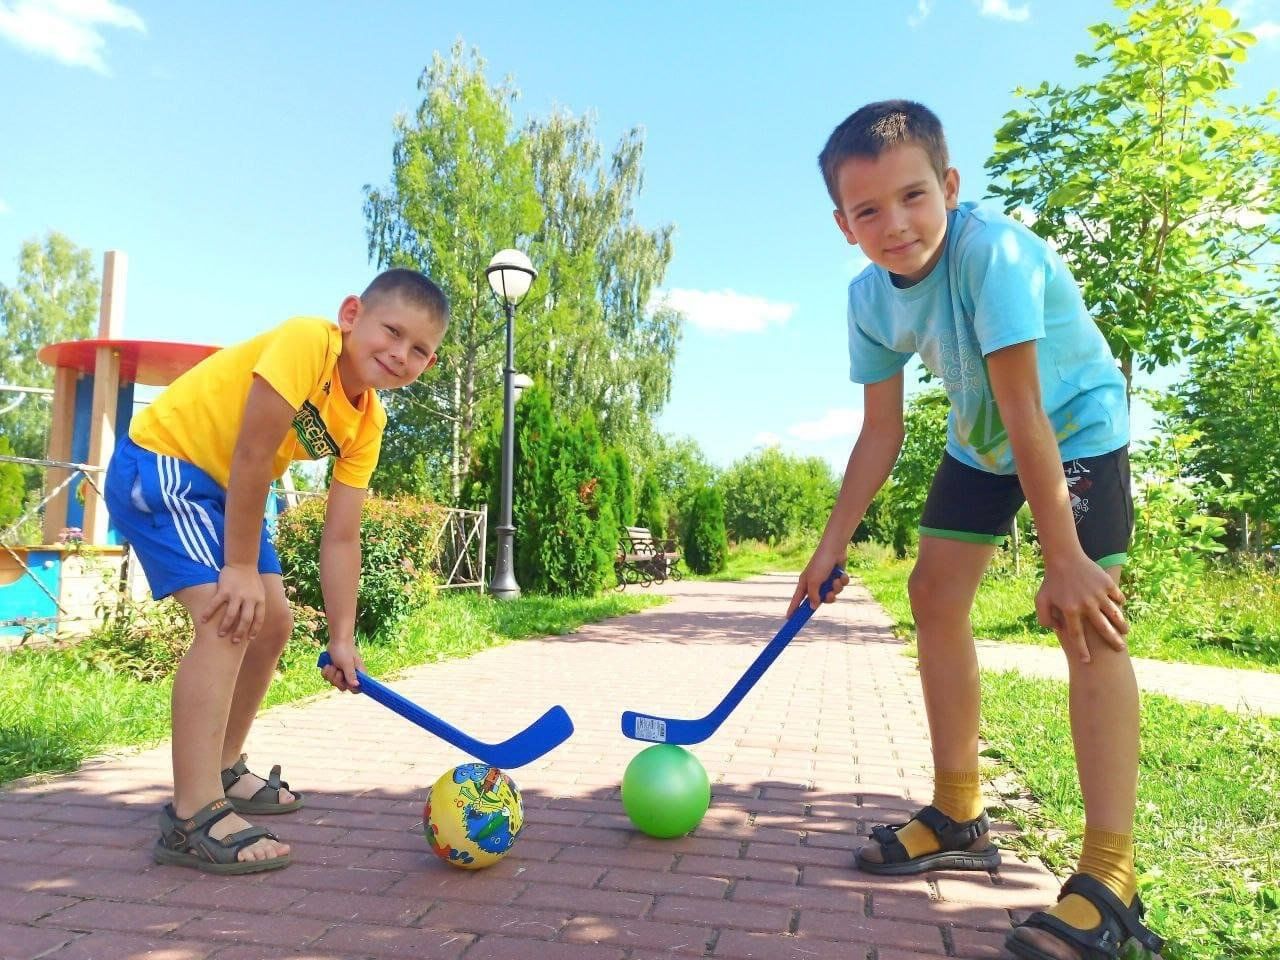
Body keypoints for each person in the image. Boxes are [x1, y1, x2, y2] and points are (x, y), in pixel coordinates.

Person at [789, 101, 1164, 960]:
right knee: (931, 592)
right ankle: (959, 812)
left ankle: (1111, 876)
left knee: (1085, 618)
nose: (896, 224)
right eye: (869, 211)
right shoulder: (867, 301)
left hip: (1073, 425)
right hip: (983, 438)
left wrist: (1064, 556)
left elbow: (1030, 406)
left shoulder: (991, 253)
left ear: (950, 187)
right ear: (843, 226)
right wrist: (831, 542)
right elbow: (880, 429)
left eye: (914, 196)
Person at [104, 268, 449, 874]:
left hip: (229, 486)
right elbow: (253, 452)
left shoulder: (368, 423)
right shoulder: (306, 343)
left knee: (274, 622)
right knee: (229, 617)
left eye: (419, 349)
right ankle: (192, 815)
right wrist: (238, 566)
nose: (400, 354)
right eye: (391, 332)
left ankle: (224, 767)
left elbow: (341, 536)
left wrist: (342, 637)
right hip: (168, 464)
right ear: (351, 316)